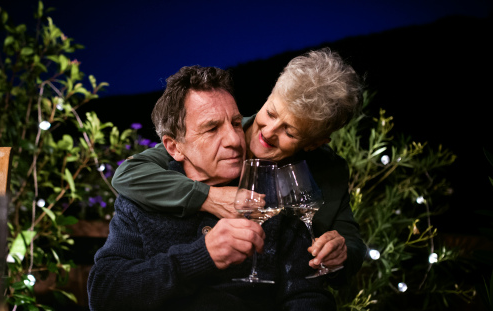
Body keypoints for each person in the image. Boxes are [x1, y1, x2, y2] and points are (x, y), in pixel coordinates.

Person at [88, 65, 336, 311]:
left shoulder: (272, 197)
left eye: (234, 122)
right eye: (211, 128)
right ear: (174, 147)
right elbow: (104, 297)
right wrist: (201, 256)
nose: (234, 139)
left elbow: (307, 299)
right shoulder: (142, 202)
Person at [111, 48, 365, 282]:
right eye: (272, 113)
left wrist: (342, 252)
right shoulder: (218, 139)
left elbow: (351, 244)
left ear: (314, 143)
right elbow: (129, 174)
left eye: (290, 131)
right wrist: (208, 196)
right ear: (270, 95)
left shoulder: (328, 169)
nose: (268, 131)